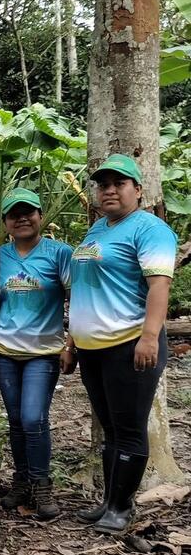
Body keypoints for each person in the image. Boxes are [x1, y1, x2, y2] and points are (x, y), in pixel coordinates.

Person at [70, 154, 178, 534]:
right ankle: (109, 501)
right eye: (103, 184)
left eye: (119, 184)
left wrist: (150, 337)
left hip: (130, 343)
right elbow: (85, 288)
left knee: (129, 428)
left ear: (138, 190)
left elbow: (159, 286)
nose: (109, 190)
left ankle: (121, 508)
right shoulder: (98, 228)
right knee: (111, 429)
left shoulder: (150, 229)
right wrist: (72, 340)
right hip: (92, 347)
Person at [0, 188, 74, 519]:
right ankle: (22, 481)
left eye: (29, 212)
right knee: (15, 421)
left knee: (32, 418)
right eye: (14, 214)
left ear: (40, 215)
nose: (22, 218)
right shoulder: (0, 256)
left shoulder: (59, 253)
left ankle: (42, 484)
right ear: (6, 222)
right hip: (5, 351)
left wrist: (73, 343)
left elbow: (79, 296)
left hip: (44, 351)